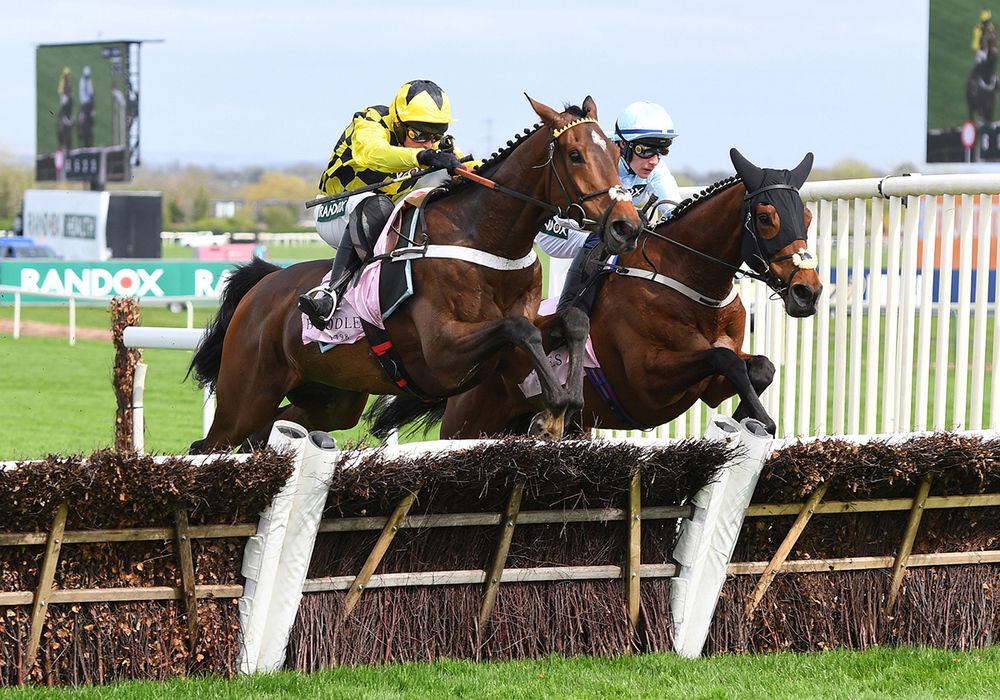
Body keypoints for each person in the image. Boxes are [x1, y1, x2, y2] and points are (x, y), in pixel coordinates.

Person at [298, 79, 467, 330]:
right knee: (373, 204)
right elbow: (374, 153)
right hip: (335, 210)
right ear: (398, 123)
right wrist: (422, 157)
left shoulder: (428, 143)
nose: (428, 143)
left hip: (382, 216)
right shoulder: (370, 121)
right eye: (419, 134)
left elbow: (470, 168)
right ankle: (329, 295)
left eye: (435, 136)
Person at [536, 100, 681, 314]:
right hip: (558, 227)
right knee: (606, 237)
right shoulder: (600, 155)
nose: (653, 161)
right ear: (623, 144)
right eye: (645, 151)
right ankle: (566, 314)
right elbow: (572, 213)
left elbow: (675, 209)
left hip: (593, 226)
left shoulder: (655, 167)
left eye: (661, 151)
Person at [78, 66, 95, 147]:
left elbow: (91, 94)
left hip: (88, 104)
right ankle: (80, 131)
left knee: (89, 118)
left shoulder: (88, 82)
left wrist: (92, 108)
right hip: (84, 104)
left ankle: (91, 131)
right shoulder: (82, 81)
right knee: (81, 117)